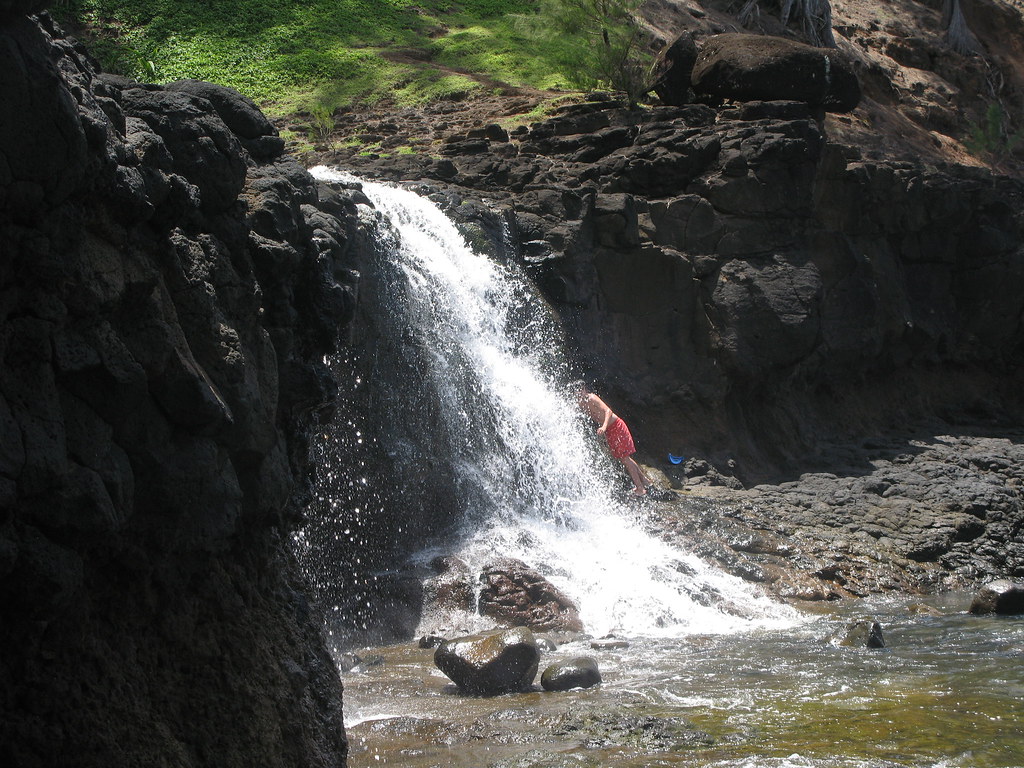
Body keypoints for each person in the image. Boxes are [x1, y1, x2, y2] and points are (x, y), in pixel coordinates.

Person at [572, 381, 651, 496]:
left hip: (616, 426)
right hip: (609, 430)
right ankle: (645, 481)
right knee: (624, 457)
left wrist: (603, 427)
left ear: (584, 389)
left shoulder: (592, 398)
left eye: (580, 390)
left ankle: (640, 488)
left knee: (624, 458)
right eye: (576, 392)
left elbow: (608, 411)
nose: (579, 393)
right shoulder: (580, 403)